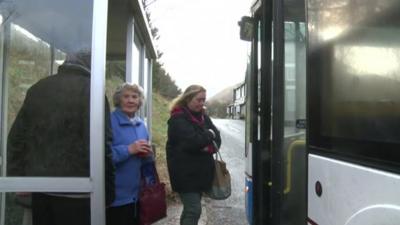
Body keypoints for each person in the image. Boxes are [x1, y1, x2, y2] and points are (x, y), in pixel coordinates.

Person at [7, 50, 115, 225]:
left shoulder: (38, 88)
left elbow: (17, 137)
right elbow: (102, 145)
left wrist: (18, 178)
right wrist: (108, 192)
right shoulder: (93, 92)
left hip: (41, 189)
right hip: (80, 191)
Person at [166, 84, 221, 225]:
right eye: (199, 100)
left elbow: (218, 138)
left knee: (191, 210)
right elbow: (193, 142)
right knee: (194, 209)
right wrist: (209, 134)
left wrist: (207, 147)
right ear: (188, 98)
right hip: (185, 174)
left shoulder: (203, 117)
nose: (202, 103)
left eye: (204, 100)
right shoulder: (177, 119)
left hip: (199, 174)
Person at [106, 83, 154, 225]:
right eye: (126, 96)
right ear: (118, 100)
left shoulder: (141, 125)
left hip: (137, 196)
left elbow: (145, 160)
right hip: (115, 197)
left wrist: (148, 155)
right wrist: (129, 149)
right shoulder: (109, 122)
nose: (131, 100)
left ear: (140, 101)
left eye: (135, 96)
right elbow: (101, 156)